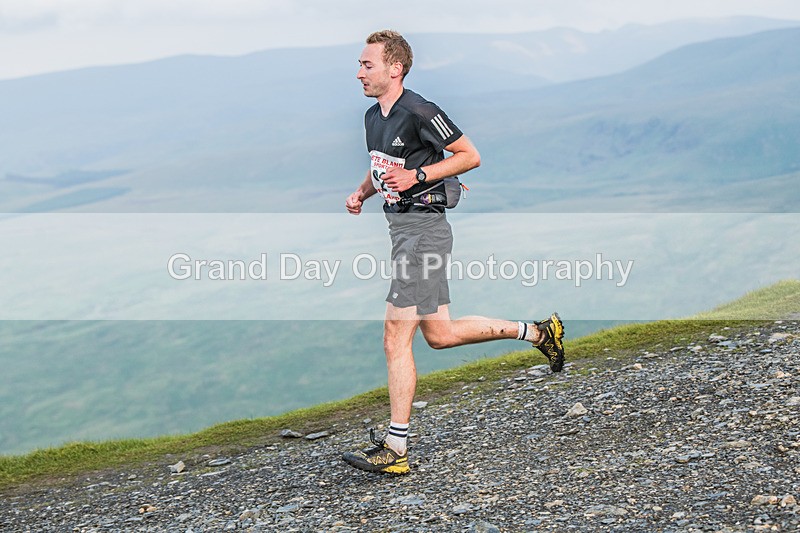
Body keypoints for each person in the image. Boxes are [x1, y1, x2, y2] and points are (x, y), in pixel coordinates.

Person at [342, 30, 564, 475]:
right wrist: (363, 192)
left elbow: (469, 155)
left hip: (424, 233)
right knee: (440, 335)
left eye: (367, 64)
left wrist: (420, 175)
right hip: (402, 230)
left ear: (395, 68)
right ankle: (539, 333)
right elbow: (382, 163)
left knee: (394, 337)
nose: (359, 73)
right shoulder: (372, 116)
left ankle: (396, 449)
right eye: (360, 65)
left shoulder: (420, 110)